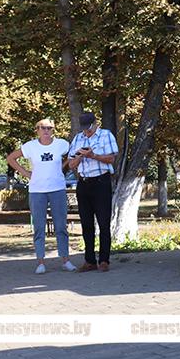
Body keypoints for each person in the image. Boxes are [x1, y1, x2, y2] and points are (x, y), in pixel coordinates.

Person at [6, 118, 77, 274]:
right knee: (39, 227)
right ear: (37, 129)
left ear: (53, 130)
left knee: (61, 226)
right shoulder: (30, 146)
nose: (46, 131)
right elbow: (11, 158)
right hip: (37, 191)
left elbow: (73, 154)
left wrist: (63, 166)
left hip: (57, 189)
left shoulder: (62, 144)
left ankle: (65, 260)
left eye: (50, 128)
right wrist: (25, 173)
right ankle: (40, 262)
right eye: (43, 128)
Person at [67, 111, 118, 273]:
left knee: (103, 223)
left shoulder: (105, 136)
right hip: (83, 183)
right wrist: (80, 157)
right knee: (86, 224)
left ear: (95, 123)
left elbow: (111, 159)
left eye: (89, 129)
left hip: (101, 182)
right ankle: (89, 261)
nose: (86, 132)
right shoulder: (78, 138)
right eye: (84, 129)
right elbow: (71, 165)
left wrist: (93, 155)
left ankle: (104, 260)